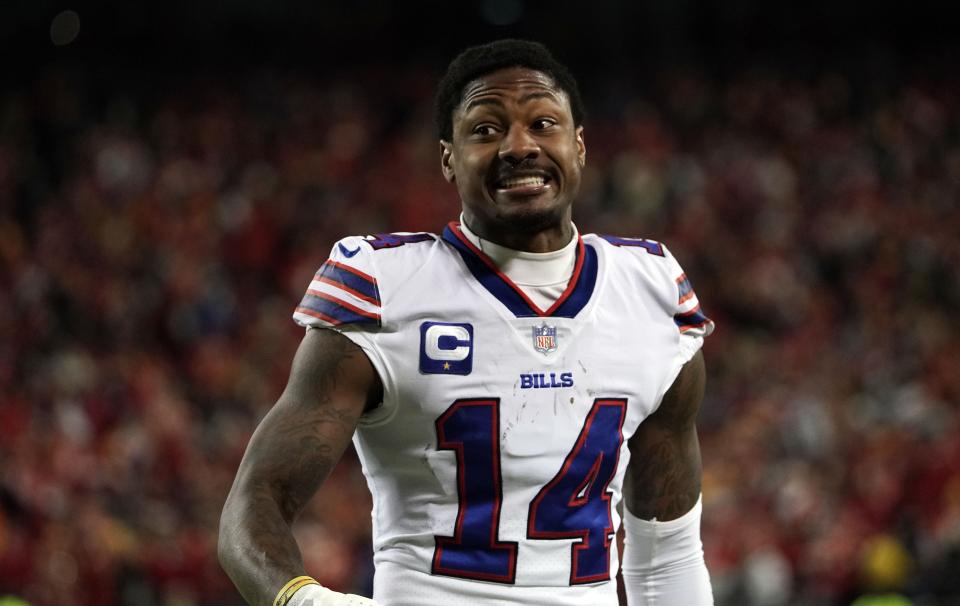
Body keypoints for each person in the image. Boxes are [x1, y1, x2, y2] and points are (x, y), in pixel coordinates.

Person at [219, 39, 715, 606]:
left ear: (579, 146)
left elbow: (667, 552)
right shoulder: (384, 286)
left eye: (544, 123)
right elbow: (255, 502)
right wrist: (308, 601)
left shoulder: (649, 289)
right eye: (485, 129)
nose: (518, 146)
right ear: (448, 159)